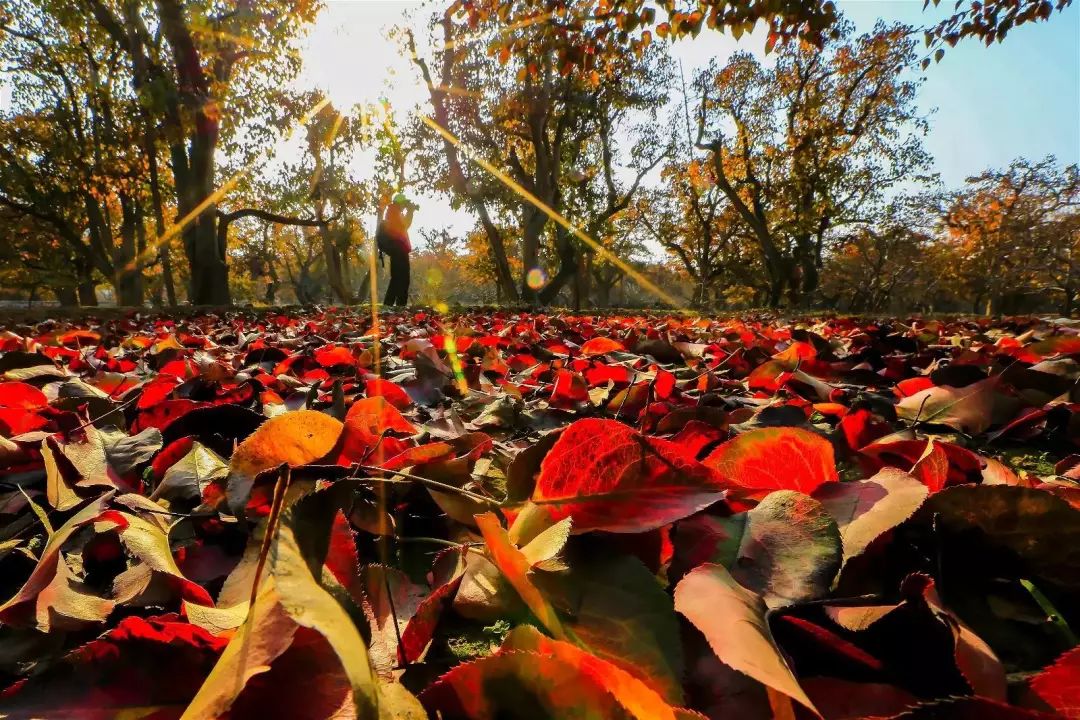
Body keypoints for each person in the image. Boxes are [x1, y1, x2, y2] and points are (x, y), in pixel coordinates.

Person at [376, 193, 416, 306]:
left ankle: (389, 305)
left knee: (396, 279)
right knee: (403, 279)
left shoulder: (392, 211)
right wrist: (411, 212)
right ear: (400, 203)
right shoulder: (394, 212)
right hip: (399, 250)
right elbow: (405, 225)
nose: (405, 205)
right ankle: (400, 306)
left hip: (397, 250)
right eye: (404, 203)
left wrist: (409, 211)